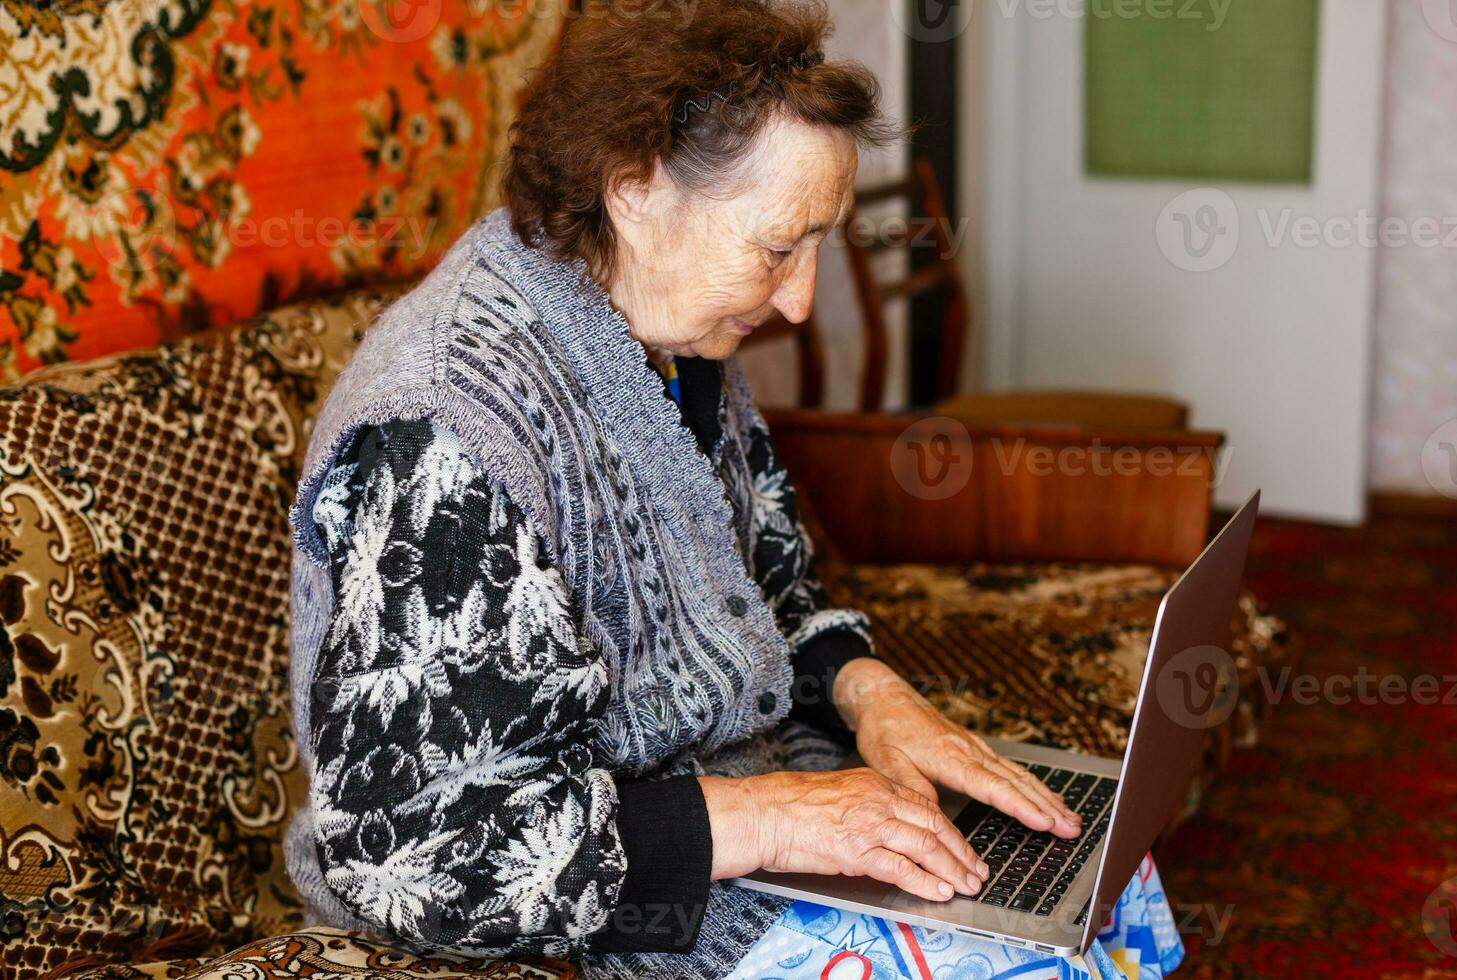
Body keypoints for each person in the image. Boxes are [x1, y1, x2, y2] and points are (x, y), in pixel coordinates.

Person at [282, 1, 1184, 976]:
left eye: (817, 245)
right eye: (777, 247)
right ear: (634, 189)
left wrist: (874, 695)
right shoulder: (446, 436)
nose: (800, 301)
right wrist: (773, 815)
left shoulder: (664, 329)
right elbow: (416, 851)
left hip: (736, 805)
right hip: (605, 912)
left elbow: (768, 581)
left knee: (1080, 865)